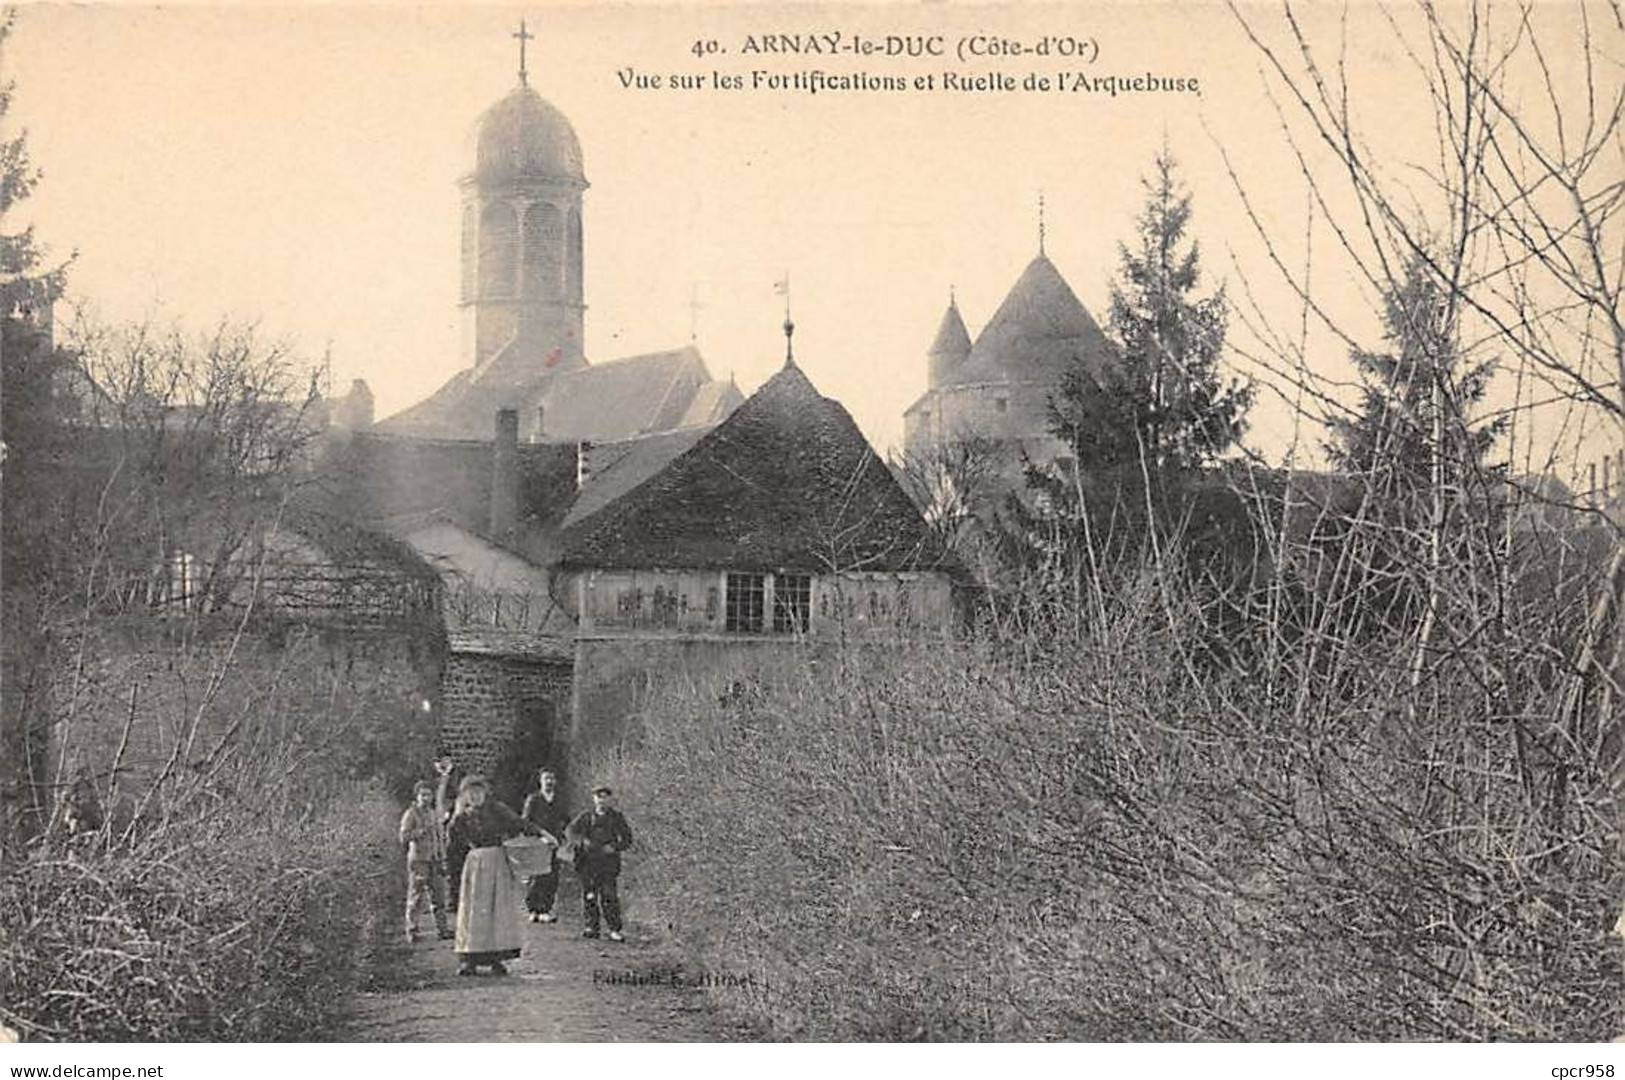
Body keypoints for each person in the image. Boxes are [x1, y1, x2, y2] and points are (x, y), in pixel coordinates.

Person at [445, 773, 541, 975]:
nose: (475, 796)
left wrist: (542, 835)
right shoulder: (461, 818)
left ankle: (497, 960)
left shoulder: (497, 810)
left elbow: (519, 823)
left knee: (497, 911)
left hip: (497, 861)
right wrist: (449, 871)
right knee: (474, 912)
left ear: (485, 793)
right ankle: (469, 960)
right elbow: (452, 848)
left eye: (479, 792)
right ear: (465, 795)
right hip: (474, 865)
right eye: (470, 793)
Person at [565, 785, 634, 942]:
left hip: (608, 864)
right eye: (598, 796)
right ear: (594, 799)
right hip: (588, 863)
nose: (602, 800)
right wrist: (582, 841)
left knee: (609, 895)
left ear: (610, 799)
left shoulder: (616, 817)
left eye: (605, 797)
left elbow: (628, 838)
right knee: (589, 895)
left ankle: (614, 929)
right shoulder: (586, 816)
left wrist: (615, 847)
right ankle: (591, 927)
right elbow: (570, 832)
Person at [398, 779, 453, 943]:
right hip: (418, 860)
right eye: (423, 795)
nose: (426, 798)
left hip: (435, 859)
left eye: (428, 794)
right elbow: (403, 836)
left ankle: (442, 930)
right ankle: (412, 931)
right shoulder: (410, 814)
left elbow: (440, 837)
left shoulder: (434, 813)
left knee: (439, 897)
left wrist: (443, 857)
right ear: (417, 796)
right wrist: (420, 832)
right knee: (416, 896)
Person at [520, 768, 568, 924]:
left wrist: (562, 838)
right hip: (537, 843)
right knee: (536, 876)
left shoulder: (560, 800)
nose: (549, 782)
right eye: (546, 778)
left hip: (554, 844)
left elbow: (566, 820)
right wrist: (538, 837)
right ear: (540, 780)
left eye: (552, 778)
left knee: (552, 876)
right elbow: (526, 822)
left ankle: (545, 909)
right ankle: (533, 909)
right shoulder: (533, 799)